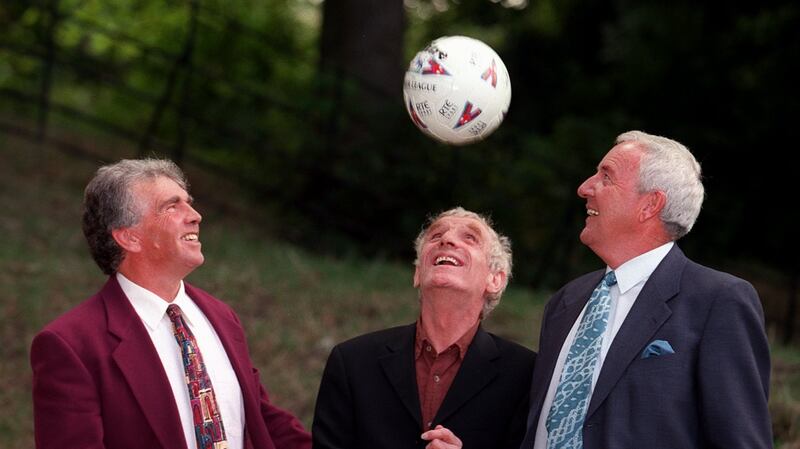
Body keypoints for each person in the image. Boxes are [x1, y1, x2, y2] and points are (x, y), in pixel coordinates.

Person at [31, 159, 311, 449]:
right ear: (130, 237)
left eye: (189, 203)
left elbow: (259, 418)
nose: (195, 216)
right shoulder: (71, 345)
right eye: (172, 206)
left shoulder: (221, 316)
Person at [520, 131, 772, 449]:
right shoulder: (565, 301)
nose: (584, 188)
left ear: (650, 205)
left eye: (606, 177)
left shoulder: (719, 302)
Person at [312, 207, 536, 449]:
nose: (447, 239)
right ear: (418, 273)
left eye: (469, 237)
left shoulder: (527, 375)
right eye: (435, 235)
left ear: (495, 279)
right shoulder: (352, 361)